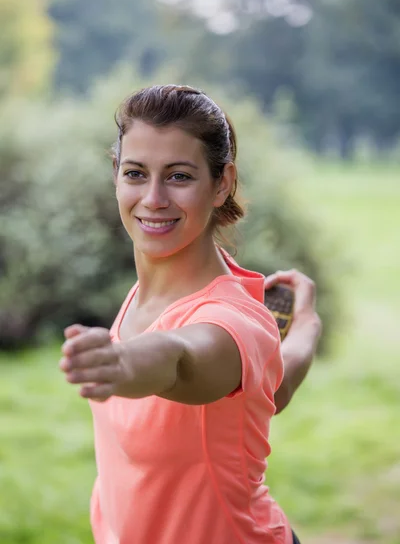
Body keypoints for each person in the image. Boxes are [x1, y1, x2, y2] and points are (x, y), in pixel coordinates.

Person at [59, 85, 321, 544]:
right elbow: (274, 389)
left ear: (223, 184)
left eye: (179, 176)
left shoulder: (232, 319)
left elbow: (181, 357)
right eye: (136, 173)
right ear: (116, 176)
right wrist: (306, 329)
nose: (154, 198)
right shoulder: (147, 294)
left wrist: (123, 363)